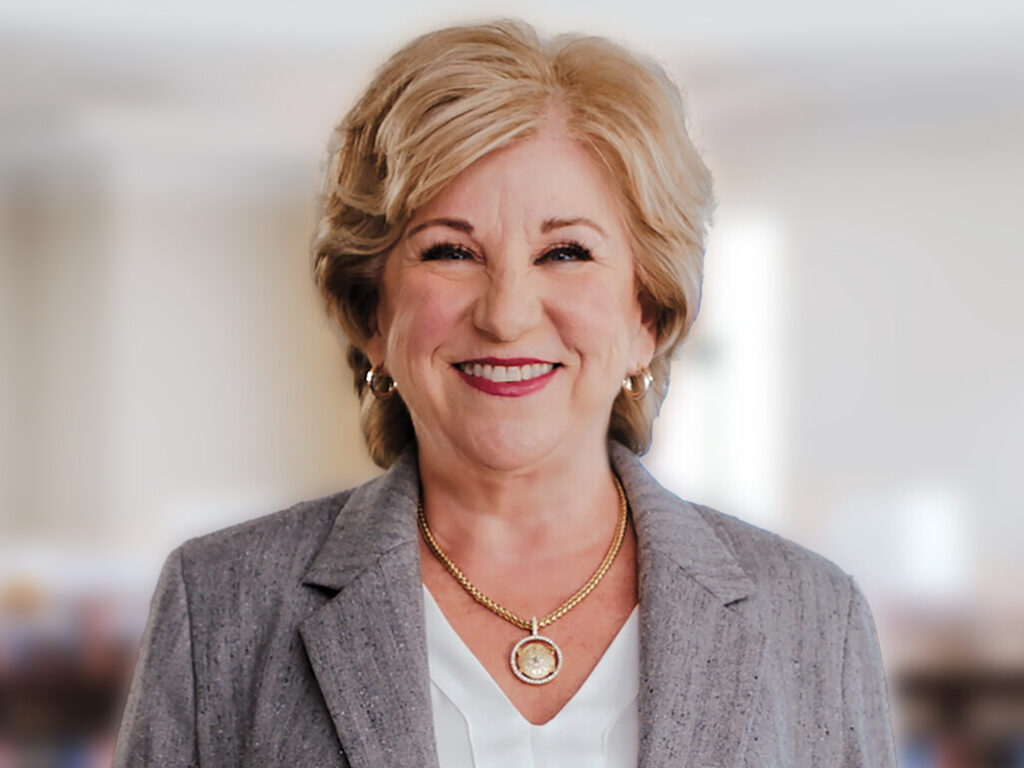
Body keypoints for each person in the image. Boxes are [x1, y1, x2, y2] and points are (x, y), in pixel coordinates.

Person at [113, 20, 897, 768]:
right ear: (371, 314)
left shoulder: (813, 617)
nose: (507, 313)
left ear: (648, 315)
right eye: (451, 251)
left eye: (566, 252)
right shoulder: (217, 605)